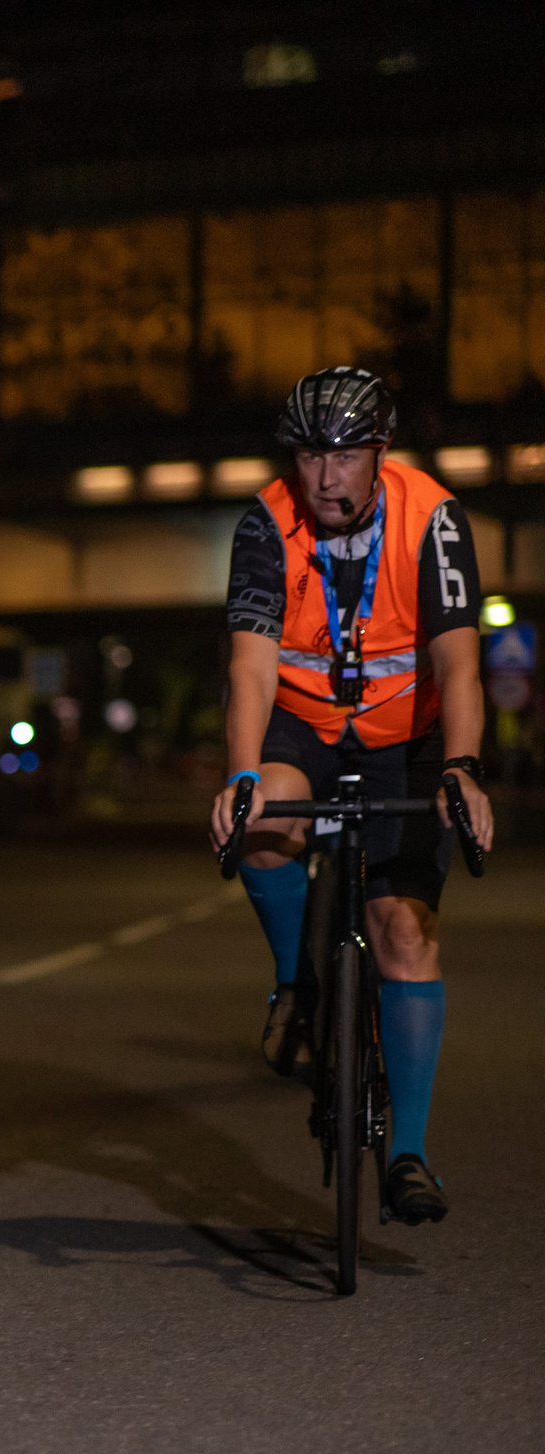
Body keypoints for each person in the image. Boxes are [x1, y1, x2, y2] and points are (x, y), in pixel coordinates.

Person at [209, 365, 496, 1226]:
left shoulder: (434, 519)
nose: (324, 477)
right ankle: (297, 981)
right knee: (266, 826)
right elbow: (250, 667)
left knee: (403, 928)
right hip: (303, 726)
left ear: (380, 451)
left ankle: (407, 1154)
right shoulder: (265, 521)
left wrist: (462, 766)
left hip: (407, 735)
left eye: (343, 456)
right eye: (307, 456)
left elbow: (458, 662)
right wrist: (244, 774)